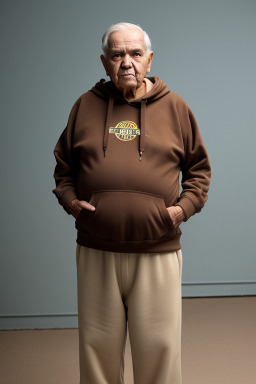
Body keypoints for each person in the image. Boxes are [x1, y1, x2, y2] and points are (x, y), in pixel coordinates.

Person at [52, 22, 211, 384]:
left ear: (149, 59)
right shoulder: (85, 106)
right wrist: (71, 202)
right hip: (97, 251)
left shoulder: (176, 108)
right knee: (97, 351)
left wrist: (180, 210)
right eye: (117, 54)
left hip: (158, 250)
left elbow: (199, 171)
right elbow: (63, 169)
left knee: (159, 349)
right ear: (105, 62)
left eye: (135, 54)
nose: (127, 62)